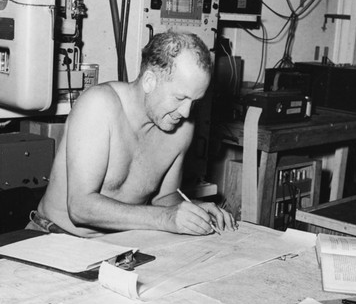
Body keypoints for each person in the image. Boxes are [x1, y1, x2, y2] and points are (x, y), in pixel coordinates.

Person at [27, 31, 236, 237]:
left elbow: (164, 198)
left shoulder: (181, 127)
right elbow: (80, 208)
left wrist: (194, 212)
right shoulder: (100, 106)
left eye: (195, 101)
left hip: (119, 244)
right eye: (180, 97)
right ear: (149, 81)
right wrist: (165, 218)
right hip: (55, 237)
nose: (186, 112)